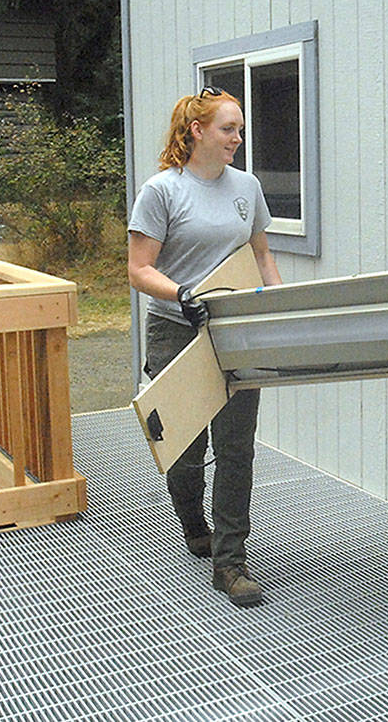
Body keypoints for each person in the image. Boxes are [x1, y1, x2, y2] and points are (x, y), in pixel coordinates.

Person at [127, 85, 282, 608]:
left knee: (236, 446)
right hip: (177, 329)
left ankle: (230, 561)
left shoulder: (247, 187)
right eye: (228, 129)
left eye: (240, 130)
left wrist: (278, 306)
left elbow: (261, 254)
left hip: (235, 330)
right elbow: (139, 269)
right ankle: (193, 522)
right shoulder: (162, 191)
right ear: (197, 131)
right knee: (185, 447)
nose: (237, 138)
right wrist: (181, 294)